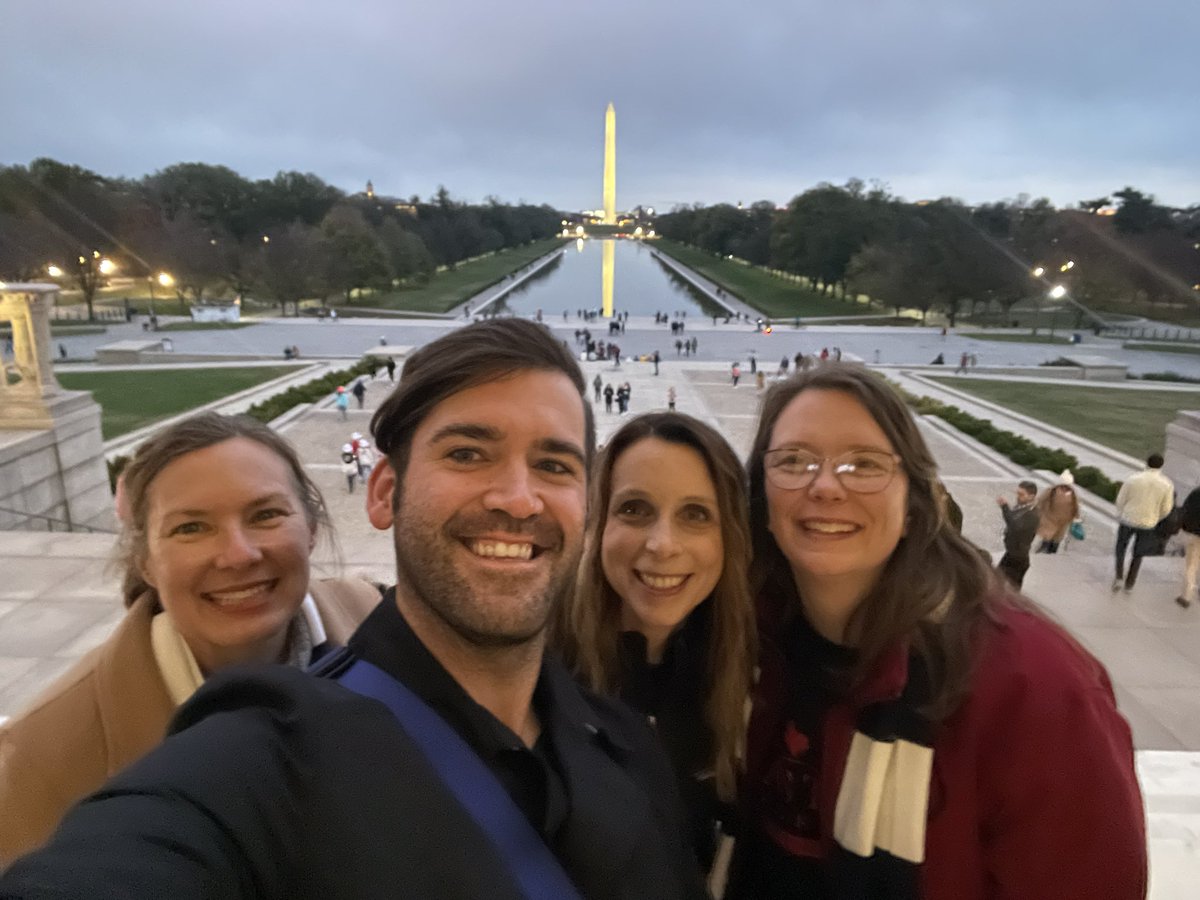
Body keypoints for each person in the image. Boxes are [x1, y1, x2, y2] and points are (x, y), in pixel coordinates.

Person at [0, 319, 704, 900]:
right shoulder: (268, 758)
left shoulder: (626, 741)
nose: (519, 499)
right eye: (467, 453)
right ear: (383, 492)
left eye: (555, 466)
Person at [727, 365, 1145, 900]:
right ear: (762, 501)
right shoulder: (744, 643)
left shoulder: (1035, 686)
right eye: (794, 461)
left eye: (864, 464)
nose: (825, 485)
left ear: (914, 505)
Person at [0, 413, 381, 864]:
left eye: (266, 515)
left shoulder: (372, 619)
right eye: (191, 528)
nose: (238, 555)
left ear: (312, 530)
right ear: (144, 560)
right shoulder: (41, 758)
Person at [551, 413, 756, 884]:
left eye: (696, 514)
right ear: (596, 522)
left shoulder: (750, 674)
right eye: (634, 509)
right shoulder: (532, 671)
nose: (663, 545)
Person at [1113, 453, 1174, 592]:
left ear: (1146, 463)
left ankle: (1118, 577)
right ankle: (1130, 583)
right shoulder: (1166, 484)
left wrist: (1121, 514)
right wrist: (1156, 518)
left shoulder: (1133, 479)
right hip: (1148, 523)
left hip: (1128, 519)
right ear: (1161, 465)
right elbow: (1166, 508)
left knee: (1121, 548)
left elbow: (1120, 500)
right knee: (1138, 553)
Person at [996, 480, 1040, 588]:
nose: (1018, 497)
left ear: (1031, 496)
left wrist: (1005, 507)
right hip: (1012, 553)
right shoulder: (1022, 507)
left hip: (1018, 557)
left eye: (1021, 494)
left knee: (1009, 587)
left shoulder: (1032, 514)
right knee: (997, 580)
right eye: (1017, 493)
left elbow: (1015, 526)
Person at [1035, 471, 1080, 553]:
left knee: (1057, 538)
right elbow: (1041, 500)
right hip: (1050, 518)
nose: (1065, 487)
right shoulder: (1052, 491)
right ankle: (1043, 549)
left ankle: (1052, 551)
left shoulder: (1073, 494)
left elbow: (1076, 506)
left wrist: (1076, 518)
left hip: (1063, 521)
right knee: (1047, 535)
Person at [1176, 484, 1200, 608]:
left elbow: (1185, 511)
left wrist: (1184, 527)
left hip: (1194, 534)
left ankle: (1186, 597)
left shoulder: (1196, 492)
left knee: (1191, 565)